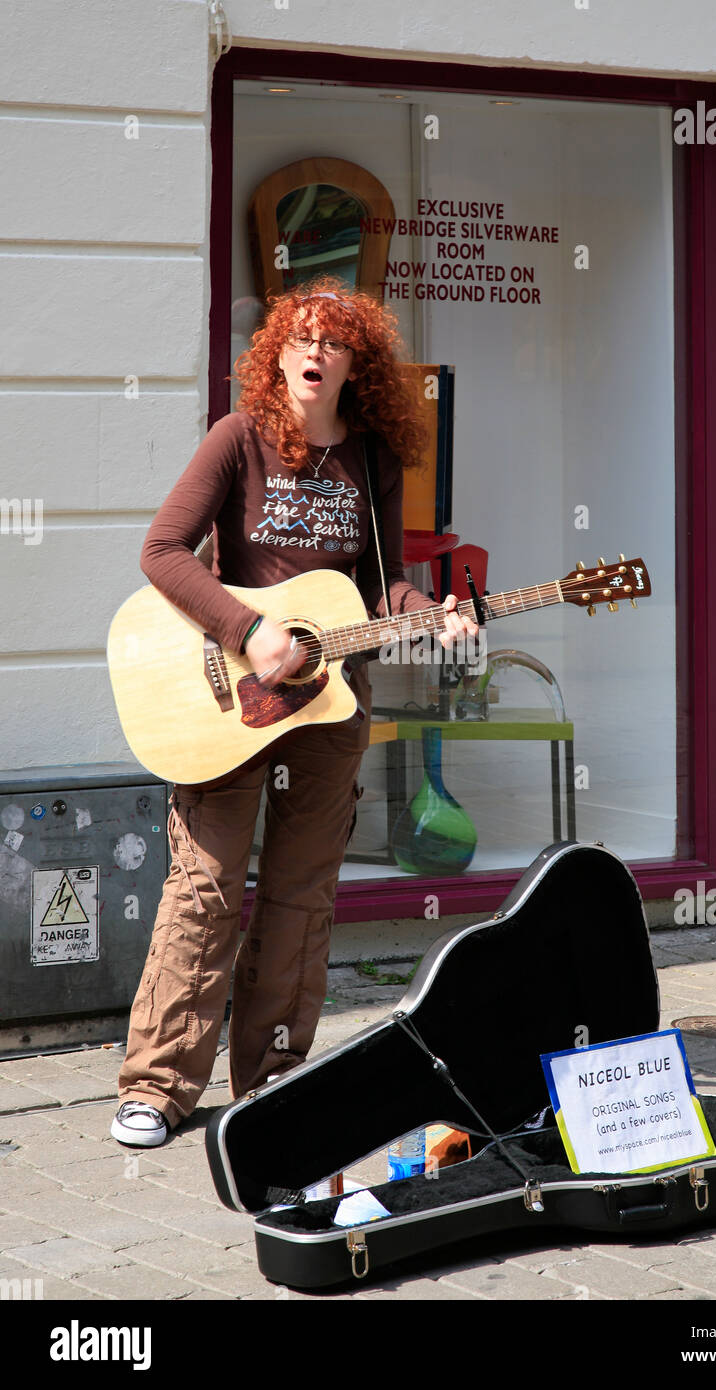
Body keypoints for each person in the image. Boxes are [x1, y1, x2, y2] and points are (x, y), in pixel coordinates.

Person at [111, 280, 477, 1146]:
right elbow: (162, 552)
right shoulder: (239, 439)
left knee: (302, 895)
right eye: (303, 337)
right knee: (204, 888)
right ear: (277, 352)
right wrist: (249, 629)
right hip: (229, 698)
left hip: (330, 703)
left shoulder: (374, 456)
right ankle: (157, 1087)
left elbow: (376, 586)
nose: (318, 351)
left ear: (358, 364)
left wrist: (429, 613)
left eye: (337, 341)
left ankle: (272, 1083)